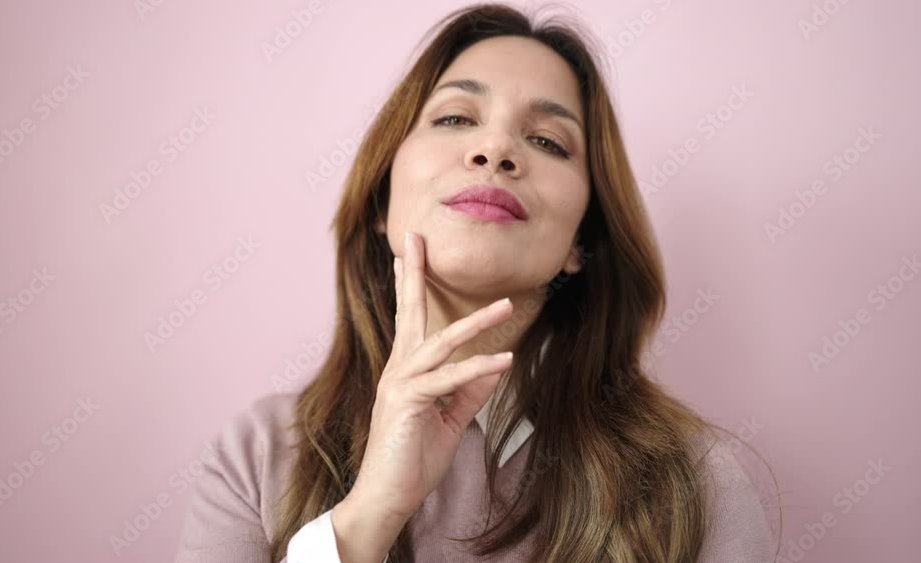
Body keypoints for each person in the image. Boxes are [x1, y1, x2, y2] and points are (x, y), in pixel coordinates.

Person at [174, 3, 780, 562]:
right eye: (455, 118)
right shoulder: (256, 455)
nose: (495, 148)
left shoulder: (698, 484)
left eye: (546, 141)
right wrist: (367, 518)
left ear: (580, 242)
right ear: (382, 201)